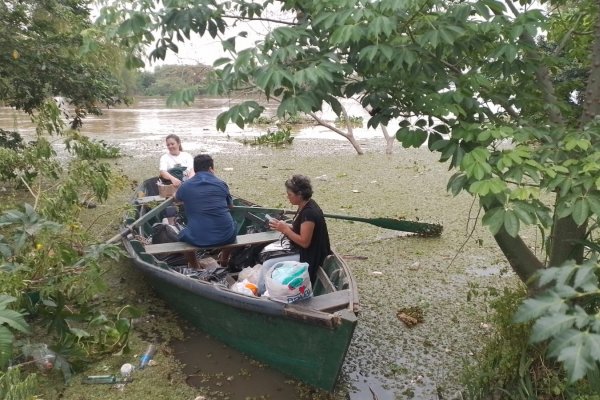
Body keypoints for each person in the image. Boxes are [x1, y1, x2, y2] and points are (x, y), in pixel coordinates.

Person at [266, 174, 331, 285]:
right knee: (266, 253)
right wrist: (283, 226)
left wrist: (286, 230)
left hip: (310, 256)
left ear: (299, 195)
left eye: (290, 194)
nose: (287, 197)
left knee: (268, 265)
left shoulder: (309, 212)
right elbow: (301, 228)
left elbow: (304, 242)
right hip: (305, 251)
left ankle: (261, 293)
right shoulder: (307, 205)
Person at [174, 154, 237, 265]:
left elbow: (177, 199)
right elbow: (230, 206)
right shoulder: (222, 184)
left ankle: (195, 265)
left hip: (198, 238)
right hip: (226, 236)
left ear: (195, 169)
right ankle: (224, 260)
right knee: (233, 224)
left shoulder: (185, 186)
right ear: (210, 169)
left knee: (182, 234)